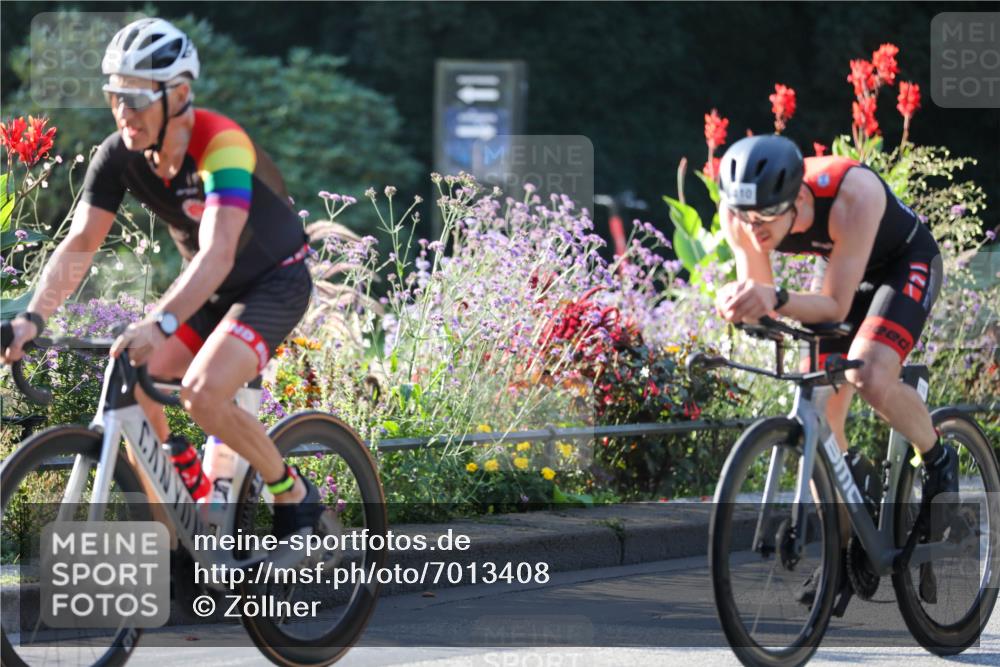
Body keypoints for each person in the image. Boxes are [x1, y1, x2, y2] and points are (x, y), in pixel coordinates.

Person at [0, 18, 320, 538]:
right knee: (135, 377)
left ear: (181, 95)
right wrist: (31, 319)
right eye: (114, 97)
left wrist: (161, 322)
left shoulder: (221, 145)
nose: (123, 112)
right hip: (211, 288)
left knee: (202, 393)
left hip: (273, 282)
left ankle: (292, 493)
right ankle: (176, 533)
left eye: (136, 98)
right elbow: (81, 242)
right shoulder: (119, 154)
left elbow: (217, 252)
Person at [714, 134, 957, 604]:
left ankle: (938, 459)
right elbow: (764, 298)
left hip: (904, 266)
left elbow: (834, 306)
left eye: (765, 217)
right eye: (745, 217)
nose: (753, 229)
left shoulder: (851, 194)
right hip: (845, 271)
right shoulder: (740, 215)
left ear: (797, 200)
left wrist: (773, 298)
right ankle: (841, 553)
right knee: (819, 415)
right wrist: (741, 305)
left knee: (868, 373)